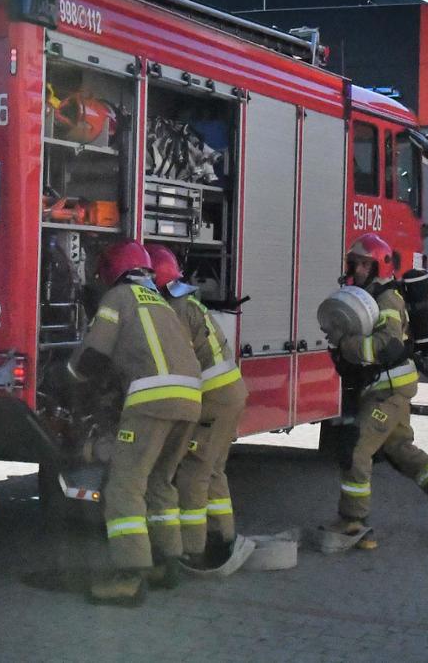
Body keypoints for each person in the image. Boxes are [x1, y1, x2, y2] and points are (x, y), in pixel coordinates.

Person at [67, 240, 202, 606]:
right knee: (160, 481)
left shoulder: (118, 298)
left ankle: (129, 577)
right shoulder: (161, 301)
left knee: (124, 487)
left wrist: (69, 376)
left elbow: (95, 354)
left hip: (150, 402)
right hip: (190, 401)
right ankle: (166, 562)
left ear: (113, 271)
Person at [323, 233, 428, 548]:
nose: (359, 269)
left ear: (379, 266)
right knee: (399, 449)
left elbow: (386, 345)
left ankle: (353, 522)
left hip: (388, 388)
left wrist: (344, 344)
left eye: (365, 264)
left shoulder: (386, 299)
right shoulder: (365, 295)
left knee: (356, 449)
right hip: (389, 386)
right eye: (356, 263)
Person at [143, 245, 251, 575]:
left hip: (213, 401)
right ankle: (223, 537)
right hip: (228, 395)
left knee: (192, 473)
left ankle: (193, 551)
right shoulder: (187, 303)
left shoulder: (172, 311)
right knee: (213, 469)